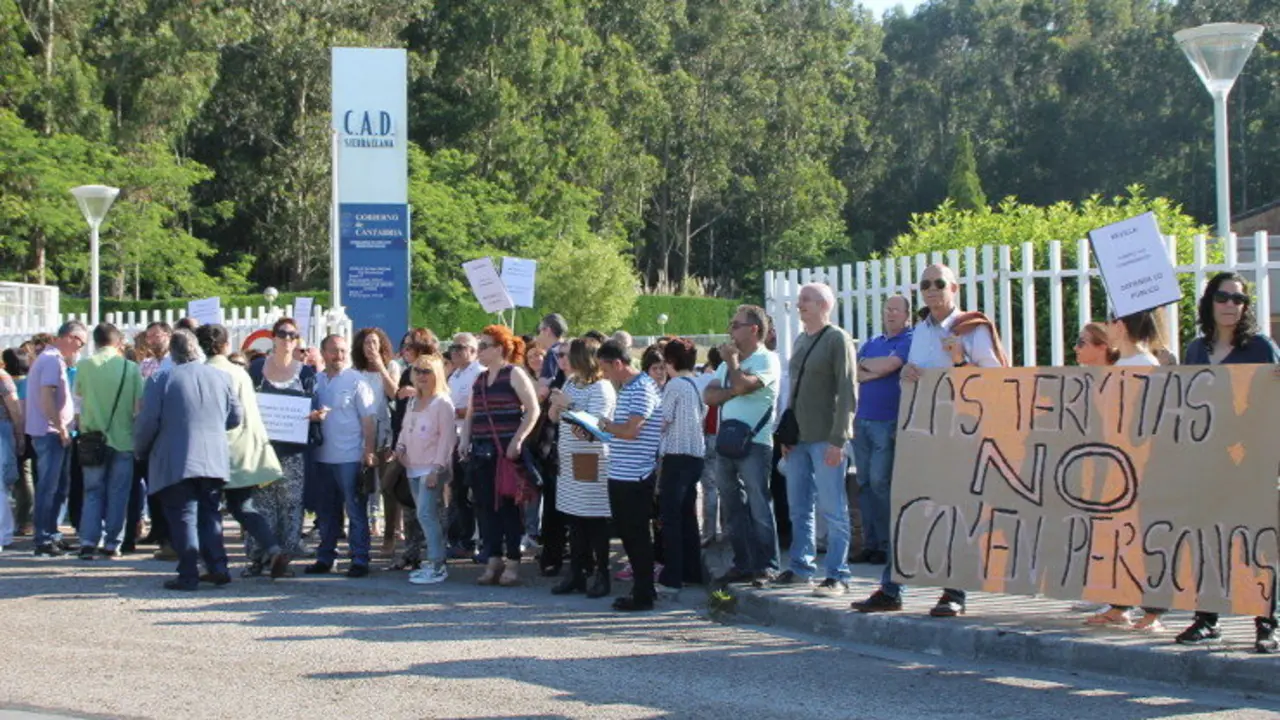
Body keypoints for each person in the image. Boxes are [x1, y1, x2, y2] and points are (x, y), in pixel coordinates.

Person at [853, 263, 1007, 617]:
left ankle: (954, 593)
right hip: (921, 431)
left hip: (961, 433)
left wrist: (960, 360)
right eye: (926, 285)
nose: (932, 289)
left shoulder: (972, 328)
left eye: (939, 283)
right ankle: (891, 589)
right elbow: (914, 376)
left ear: (954, 288)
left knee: (954, 511)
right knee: (907, 508)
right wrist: (907, 373)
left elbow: (996, 380)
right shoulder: (921, 331)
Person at [1174, 273, 1280, 653]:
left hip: (1252, 459)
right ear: (1209, 302)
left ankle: (1267, 623)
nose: (1231, 305)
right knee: (1207, 538)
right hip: (1207, 460)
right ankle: (1207, 619)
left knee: (1256, 542)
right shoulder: (1196, 350)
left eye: (1239, 299)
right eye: (1223, 297)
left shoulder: (1260, 347)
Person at [134, 330, 243, 591]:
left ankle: (188, 573)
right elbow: (235, 418)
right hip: (214, 458)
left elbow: (148, 422)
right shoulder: (222, 377)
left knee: (184, 516)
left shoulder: (161, 379)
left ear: (172, 353)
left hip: (176, 458)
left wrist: (140, 449)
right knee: (210, 515)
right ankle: (218, 567)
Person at [1083, 308, 1169, 631]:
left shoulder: (1146, 364)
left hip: (1139, 463)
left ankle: (1153, 611)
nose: (1107, 327)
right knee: (1118, 534)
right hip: (1115, 462)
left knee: (1143, 536)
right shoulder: (1122, 364)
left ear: (1119, 325)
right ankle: (1120, 605)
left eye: (1109, 322)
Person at [775, 284, 857, 597]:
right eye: (799, 300)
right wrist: (787, 434)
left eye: (805, 300)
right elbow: (793, 389)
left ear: (824, 304)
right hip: (798, 438)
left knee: (833, 508)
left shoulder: (837, 339)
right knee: (799, 507)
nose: (799, 305)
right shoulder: (800, 340)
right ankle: (801, 567)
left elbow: (847, 390)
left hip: (826, 437)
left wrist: (839, 439)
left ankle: (838, 574)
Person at [197, 324, 290, 579]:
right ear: (226, 345)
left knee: (208, 509)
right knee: (243, 506)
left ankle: (213, 564)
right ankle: (273, 548)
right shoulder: (239, 372)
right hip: (245, 448)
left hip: (214, 449)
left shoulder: (203, 373)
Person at [704, 306, 782, 588]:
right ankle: (743, 563)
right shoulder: (727, 363)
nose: (731, 330)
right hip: (727, 442)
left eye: (736, 325)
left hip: (755, 443)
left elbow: (744, 385)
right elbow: (709, 395)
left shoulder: (767, 359)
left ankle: (767, 565)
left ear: (753, 329)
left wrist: (734, 365)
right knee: (732, 507)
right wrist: (732, 387)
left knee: (759, 505)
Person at [459, 325, 541, 586]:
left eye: (484, 346)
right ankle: (493, 559)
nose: (479, 351)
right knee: (485, 507)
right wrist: (464, 440)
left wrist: (517, 441)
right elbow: (471, 414)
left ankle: (513, 561)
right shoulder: (480, 379)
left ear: (499, 348)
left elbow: (533, 410)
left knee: (508, 508)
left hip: (506, 453)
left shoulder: (514, 373)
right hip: (481, 453)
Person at [248, 318, 321, 572]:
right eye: (283, 334)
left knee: (290, 506)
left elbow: (313, 404)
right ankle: (258, 559)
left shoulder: (306, 373)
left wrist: (316, 416)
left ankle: (284, 559)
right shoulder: (257, 368)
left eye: (293, 335)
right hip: (262, 450)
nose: (288, 339)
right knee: (261, 505)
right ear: (273, 337)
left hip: (293, 452)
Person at [595, 339, 663, 611]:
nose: (604, 374)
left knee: (635, 535)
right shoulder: (630, 387)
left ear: (618, 363)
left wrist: (606, 425)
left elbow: (632, 431)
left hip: (635, 475)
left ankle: (643, 594)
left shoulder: (642, 388)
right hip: (623, 471)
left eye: (605, 368)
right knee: (629, 534)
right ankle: (643, 589)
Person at [547, 337, 617, 599]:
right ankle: (576, 572)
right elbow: (554, 417)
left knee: (595, 520)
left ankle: (601, 574)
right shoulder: (571, 382)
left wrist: (569, 405)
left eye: (569, 355)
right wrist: (557, 405)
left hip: (591, 459)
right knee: (574, 518)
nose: (564, 360)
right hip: (568, 457)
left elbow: (597, 425)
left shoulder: (601, 387)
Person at [306, 334, 378, 578]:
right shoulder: (315, 381)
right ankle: (326, 557)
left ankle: (360, 558)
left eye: (343, 351)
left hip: (350, 457)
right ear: (323, 353)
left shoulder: (357, 381)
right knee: (325, 512)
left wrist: (368, 451)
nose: (340, 355)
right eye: (334, 351)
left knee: (355, 511)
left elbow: (368, 421)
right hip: (321, 456)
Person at [850, 294, 913, 565]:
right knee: (864, 483)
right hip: (862, 419)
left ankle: (887, 545)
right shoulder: (873, 341)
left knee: (879, 482)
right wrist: (877, 370)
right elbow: (854, 371)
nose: (891, 313)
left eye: (897, 310)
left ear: (907, 315)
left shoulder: (909, 339)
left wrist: (874, 368)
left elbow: (892, 365)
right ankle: (870, 543)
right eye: (888, 309)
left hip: (887, 421)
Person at [73, 323, 144, 560]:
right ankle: (113, 543)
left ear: (95, 341)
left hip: (92, 439)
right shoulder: (130, 368)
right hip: (123, 438)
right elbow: (138, 407)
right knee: (118, 494)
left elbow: (78, 401)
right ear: (118, 342)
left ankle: (88, 541)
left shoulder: (84, 365)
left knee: (92, 492)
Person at [27, 321, 88, 556]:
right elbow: (47, 397)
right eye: (80, 343)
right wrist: (60, 426)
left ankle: (52, 533)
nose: (80, 349)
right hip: (50, 432)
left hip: (53, 432)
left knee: (60, 487)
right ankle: (44, 538)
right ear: (70, 337)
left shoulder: (52, 359)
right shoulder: (52, 360)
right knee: (49, 487)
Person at [396, 352, 456, 585]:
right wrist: (400, 447)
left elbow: (447, 439)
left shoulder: (442, 403)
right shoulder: (413, 401)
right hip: (412, 466)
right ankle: (432, 561)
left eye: (426, 371)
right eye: (417, 371)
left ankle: (437, 564)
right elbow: (405, 428)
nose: (421, 376)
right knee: (423, 515)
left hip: (431, 468)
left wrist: (437, 468)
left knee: (426, 514)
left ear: (437, 374)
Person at [385, 328, 439, 571]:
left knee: (429, 506)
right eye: (403, 346)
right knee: (407, 500)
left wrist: (416, 392)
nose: (404, 350)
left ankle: (434, 556)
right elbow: (400, 413)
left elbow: (441, 398)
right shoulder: (408, 372)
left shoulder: (435, 368)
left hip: (429, 446)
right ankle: (411, 552)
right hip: (407, 444)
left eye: (409, 346)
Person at [656, 338, 706, 596]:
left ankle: (672, 575)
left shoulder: (674, 385)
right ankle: (692, 570)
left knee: (671, 517)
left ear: (672, 361)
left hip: (676, 455)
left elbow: (663, 420)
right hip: (695, 456)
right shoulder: (695, 384)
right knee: (687, 515)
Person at [351, 327, 403, 555]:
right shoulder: (354, 371)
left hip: (384, 432)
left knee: (387, 486)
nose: (371, 347)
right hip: (359, 432)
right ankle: (360, 537)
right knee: (360, 487)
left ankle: (389, 536)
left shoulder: (391, 366)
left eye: (375, 342)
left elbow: (395, 394)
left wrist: (381, 366)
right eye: (366, 343)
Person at [446, 334, 483, 558]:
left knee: (473, 494)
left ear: (473, 350)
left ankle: (475, 541)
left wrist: (451, 412)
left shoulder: (479, 373)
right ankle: (463, 538)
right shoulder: (455, 375)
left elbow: (476, 408)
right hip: (455, 439)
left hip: (473, 439)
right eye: (453, 347)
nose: (455, 351)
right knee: (458, 492)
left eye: (460, 347)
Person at [695, 348, 723, 547]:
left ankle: (709, 532)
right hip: (727, 437)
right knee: (729, 487)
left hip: (708, 435)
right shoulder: (730, 379)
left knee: (709, 488)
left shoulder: (703, 380)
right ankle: (728, 530)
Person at [2, 348, 30, 538]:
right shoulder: (4, 378)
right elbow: (14, 409)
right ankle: (7, 530)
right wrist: (20, 435)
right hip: (6, 431)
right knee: (7, 481)